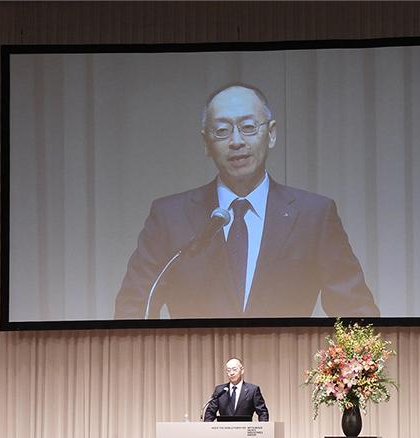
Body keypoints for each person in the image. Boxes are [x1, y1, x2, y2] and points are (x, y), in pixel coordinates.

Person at [114, 82, 379, 319]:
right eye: (222, 131)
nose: (236, 141)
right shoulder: (169, 216)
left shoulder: (314, 215)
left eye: (248, 127)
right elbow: (134, 305)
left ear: (271, 134)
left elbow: (355, 310)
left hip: (287, 365)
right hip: (193, 367)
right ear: (206, 143)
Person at [203, 357, 269, 421]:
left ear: (242, 370)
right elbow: (210, 412)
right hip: (224, 430)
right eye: (228, 370)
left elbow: (262, 412)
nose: (231, 373)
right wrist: (207, 428)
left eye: (234, 369)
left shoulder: (253, 390)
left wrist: (263, 429)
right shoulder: (220, 390)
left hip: (245, 430)